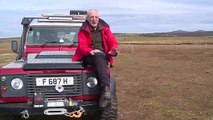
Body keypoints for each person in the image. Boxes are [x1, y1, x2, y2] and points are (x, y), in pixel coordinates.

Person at [72, 9, 119, 107]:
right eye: (91, 17)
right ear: (87, 18)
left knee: (100, 57)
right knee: (98, 57)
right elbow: (82, 45)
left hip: (102, 55)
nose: (94, 19)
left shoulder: (105, 28)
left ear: (99, 18)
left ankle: (104, 94)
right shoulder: (83, 29)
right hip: (89, 55)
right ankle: (106, 89)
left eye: (96, 17)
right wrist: (90, 51)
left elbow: (112, 41)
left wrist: (113, 50)